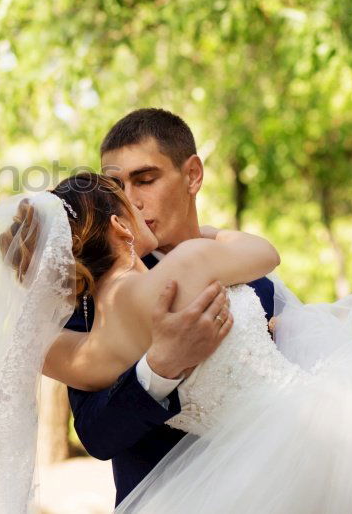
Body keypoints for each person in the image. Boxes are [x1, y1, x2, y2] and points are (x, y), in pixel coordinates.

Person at [0, 173, 352, 513]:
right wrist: (208, 234)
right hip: (329, 433)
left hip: (234, 481)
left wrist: (43, 284)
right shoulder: (187, 264)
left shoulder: (83, 351)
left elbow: (21, 344)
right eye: (130, 201)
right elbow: (265, 252)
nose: (141, 207)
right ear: (121, 225)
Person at [43, 108, 281, 505]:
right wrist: (159, 369)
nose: (132, 199)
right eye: (117, 186)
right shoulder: (86, 305)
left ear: (192, 176)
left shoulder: (257, 282)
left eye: (145, 179)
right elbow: (97, 436)